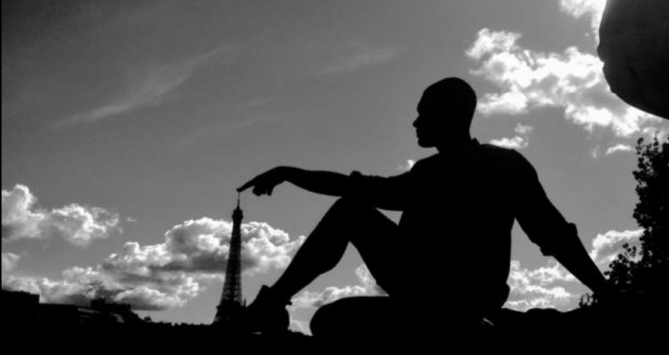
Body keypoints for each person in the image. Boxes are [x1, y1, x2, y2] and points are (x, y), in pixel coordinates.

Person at [236, 77, 612, 336]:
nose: (415, 122)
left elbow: (553, 232)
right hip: (428, 295)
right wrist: (290, 172)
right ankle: (486, 325)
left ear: (449, 116)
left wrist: (606, 292)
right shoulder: (428, 172)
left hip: (457, 296)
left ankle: (273, 302)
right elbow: (360, 188)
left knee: (348, 226)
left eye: (424, 113)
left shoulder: (502, 165)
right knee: (329, 318)